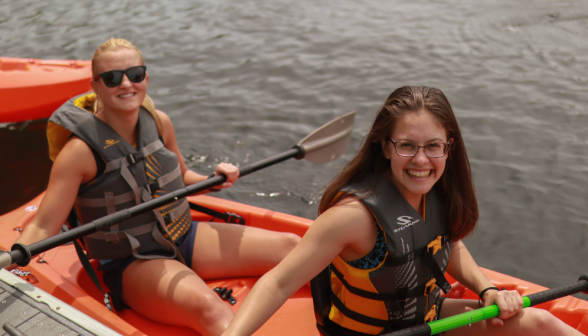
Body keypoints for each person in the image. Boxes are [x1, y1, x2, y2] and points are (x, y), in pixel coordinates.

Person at [222, 86, 581, 336]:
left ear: (448, 147)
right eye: (407, 146)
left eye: (433, 146)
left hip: (429, 321)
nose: (422, 160)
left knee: (542, 326)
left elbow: (447, 244)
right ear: (385, 147)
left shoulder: (436, 192)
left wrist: (486, 290)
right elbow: (279, 281)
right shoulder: (354, 217)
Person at [11, 38, 300, 336]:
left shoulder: (159, 122)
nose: (126, 84)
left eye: (135, 74)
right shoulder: (79, 153)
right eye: (112, 78)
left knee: (294, 248)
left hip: (183, 237)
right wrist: (11, 260)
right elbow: (44, 226)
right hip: (134, 261)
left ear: (146, 78)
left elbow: (183, 178)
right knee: (210, 309)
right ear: (95, 85)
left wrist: (214, 179)